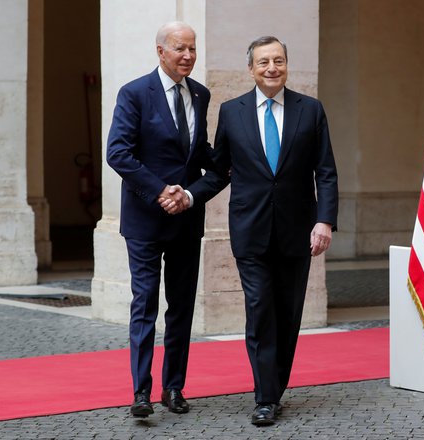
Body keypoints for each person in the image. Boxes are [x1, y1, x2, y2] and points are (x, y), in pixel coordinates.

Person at [169, 35, 338, 426]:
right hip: (250, 230)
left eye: (278, 60)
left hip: (298, 231)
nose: (271, 68)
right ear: (251, 69)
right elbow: (219, 171)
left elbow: (325, 171)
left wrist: (324, 220)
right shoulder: (232, 112)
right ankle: (264, 397)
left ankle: (274, 389)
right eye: (263, 62)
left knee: (288, 311)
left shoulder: (310, 110)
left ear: (286, 64)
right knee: (260, 308)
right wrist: (191, 197)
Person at [106, 21, 216, 418]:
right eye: (179, 49)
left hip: (186, 218)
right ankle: (140, 392)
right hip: (146, 221)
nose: (187, 56)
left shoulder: (200, 94)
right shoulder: (135, 93)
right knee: (145, 305)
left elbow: (199, 151)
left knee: (182, 307)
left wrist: (232, 163)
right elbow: (118, 152)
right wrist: (160, 190)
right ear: (160, 51)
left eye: (192, 49)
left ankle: (173, 388)